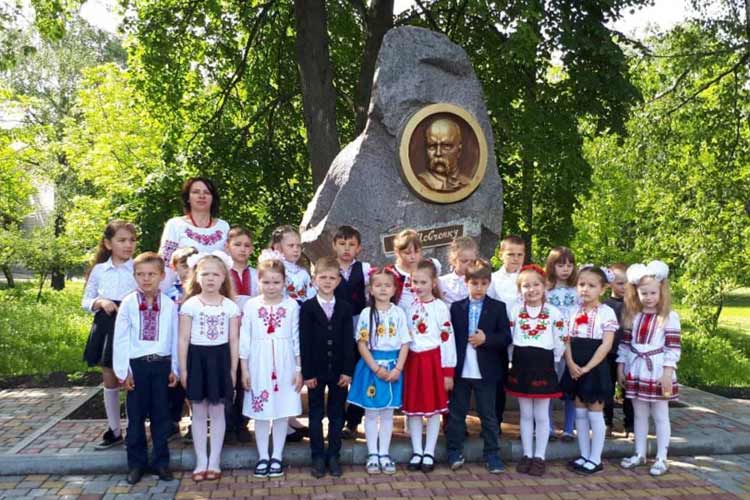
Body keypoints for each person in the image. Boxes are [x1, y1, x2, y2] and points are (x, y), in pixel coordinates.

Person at [112, 252, 179, 484]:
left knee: (161, 417)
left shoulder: (169, 305)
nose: (146, 279)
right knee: (136, 418)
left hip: (161, 365)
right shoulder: (129, 303)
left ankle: (161, 463)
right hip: (137, 367)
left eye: (151, 274)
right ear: (134, 276)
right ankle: (136, 464)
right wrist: (124, 371)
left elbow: (174, 337)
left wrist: (175, 368)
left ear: (162, 276)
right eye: (140, 274)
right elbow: (120, 339)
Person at [240, 251, 303, 479]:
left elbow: (296, 338)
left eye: (276, 282)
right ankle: (262, 456)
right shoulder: (251, 306)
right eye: (266, 282)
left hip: (285, 363)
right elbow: (245, 338)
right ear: (259, 282)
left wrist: (299, 369)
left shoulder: (292, 306)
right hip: (259, 361)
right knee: (261, 412)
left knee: (281, 411)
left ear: (284, 282)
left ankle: (276, 455)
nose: (271, 286)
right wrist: (244, 369)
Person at [178, 251, 239, 482]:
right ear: (196, 277)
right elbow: (183, 339)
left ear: (224, 277)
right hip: (197, 360)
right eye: (205, 274)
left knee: (217, 410)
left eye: (215, 274)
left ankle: (214, 460)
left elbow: (234, 340)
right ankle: (201, 460)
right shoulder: (190, 305)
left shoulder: (230, 307)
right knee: (199, 411)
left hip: (220, 360)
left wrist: (232, 370)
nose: (210, 278)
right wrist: (183, 369)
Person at [446, 259, 511, 474]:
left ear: (489, 283)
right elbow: (449, 337)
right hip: (461, 370)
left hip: (487, 371)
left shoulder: (498, 307)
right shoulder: (457, 308)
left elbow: (506, 337)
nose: (479, 288)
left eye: (484, 283)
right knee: (457, 413)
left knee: (488, 415)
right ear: (466, 282)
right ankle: (454, 450)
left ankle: (492, 454)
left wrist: (487, 339)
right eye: (474, 283)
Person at [618, 261, 681, 476]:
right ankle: (639, 453)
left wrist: (667, 373)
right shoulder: (633, 316)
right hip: (637, 369)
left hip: (657, 371)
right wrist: (621, 368)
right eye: (644, 293)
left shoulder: (669, 317)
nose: (649, 297)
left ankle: (662, 457)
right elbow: (625, 345)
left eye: (653, 292)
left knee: (660, 415)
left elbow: (673, 348)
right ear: (636, 292)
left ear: (661, 291)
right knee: (639, 414)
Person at [347, 267, 410, 475]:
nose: (383, 289)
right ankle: (372, 453)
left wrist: (398, 368)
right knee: (371, 413)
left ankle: (384, 453)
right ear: (371, 289)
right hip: (372, 367)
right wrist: (375, 367)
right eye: (378, 285)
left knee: (388, 413)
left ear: (394, 289)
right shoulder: (367, 313)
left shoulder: (399, 313)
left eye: (387, 285)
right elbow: (362, 343)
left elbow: (405, 342)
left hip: (393, 367)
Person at [81, 220, 138, 450]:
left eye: (132, 240)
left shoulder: (138, 268)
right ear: (108, 243)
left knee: (131, 376)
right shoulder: (99, 270)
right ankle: (114, 430)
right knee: (109, 375)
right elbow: (85, 300)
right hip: (106, 322)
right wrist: (100, 302)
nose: (128, 245)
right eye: (121, 240)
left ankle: (134, 429)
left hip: (131, 323)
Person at [505, 265, 566, 477]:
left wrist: (554, 359)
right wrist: (511, 360)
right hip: (521, 364)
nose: (531, 289)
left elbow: (561, 338)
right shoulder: (515, 311)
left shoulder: (553, 313)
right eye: (526, 286)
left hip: (543, 365)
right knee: (525, 414)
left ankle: (540, 456)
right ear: (519, 289)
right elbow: (510, 338)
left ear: (544, 286)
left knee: (541, 414)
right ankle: (527, 454)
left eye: (536, 285)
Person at [300, 257, 355, 478]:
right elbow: (304, 343)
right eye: (323, 277)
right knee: (315, 414)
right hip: (316, 372)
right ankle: (317, 456)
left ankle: (333, 455)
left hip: (339, 372)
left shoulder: (345, 308)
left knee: (337, 414)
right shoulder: (308, 308)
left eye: (332, 277)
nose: (327, 281)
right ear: (314, 280)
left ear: (339, 280)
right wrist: (308, 373)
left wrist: (348, 371)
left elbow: (349, 341)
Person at [561, 266, 618, 475]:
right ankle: (584, 454)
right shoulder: (572, 311)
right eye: (581, 284)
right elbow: (566, 339)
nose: (585, 289)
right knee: (580, 411)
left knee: (595, 411)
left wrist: (586, 368)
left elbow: (606, 345)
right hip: (575, 365)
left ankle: (596, 458)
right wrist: (570, 363)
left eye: (592, 286)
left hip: (594, 367)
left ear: (602, 289)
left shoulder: (606, 312)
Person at [403, 259, 456, 473]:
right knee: (414, 410)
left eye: (423, 282)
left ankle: (429, 452)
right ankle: (417, 450)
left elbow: (447, 339)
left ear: (433, 283)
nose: (418, 286)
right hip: (412, 362)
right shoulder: (408, 306)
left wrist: (447, 372)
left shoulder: (440, 307)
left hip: (433, 362)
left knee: (433, 410)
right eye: (415, 281)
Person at [268, 225, 313, 440]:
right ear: (278, 247)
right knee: (282, 372)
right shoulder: (274, 271)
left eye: (298, 245)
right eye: (291, 245)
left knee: (296, 371)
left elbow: (309, 296)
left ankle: (290, 416)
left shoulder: (302, 272)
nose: (296, 249)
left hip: (300, 324)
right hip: (281, 327)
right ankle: (280, 422)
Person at [331, 225, 371, 440]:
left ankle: (353, 421)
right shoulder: (329, 269)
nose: (346, 248)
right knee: (338, 376)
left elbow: (370, 296)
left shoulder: (364, 269)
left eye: (351, 244)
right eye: (342, 244)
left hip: (358, 328)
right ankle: (336, 421)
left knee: (359, 375)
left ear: (359, 248)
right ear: (334, 246)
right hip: (336, 329)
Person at [158, 177, 230, 289]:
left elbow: (228, 264)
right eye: (196, 192)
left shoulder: (223, 226)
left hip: (216, 290)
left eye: (207, 192)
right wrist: (163, 292)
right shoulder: (175, 224)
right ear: (188, 198)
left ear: (213, 198)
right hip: (182, 290)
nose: (201, 196)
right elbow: (165, 263)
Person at [486, 235, 525, 435]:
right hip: (500, 337)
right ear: (501, 254)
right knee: (498, 381)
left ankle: (528, 423)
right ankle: (495, 421)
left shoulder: (528, 278)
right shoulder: (493, 279)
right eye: (511, 254)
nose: (515, 259)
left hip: (524, 336)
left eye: (519, 254)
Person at [224, 226, 259, 444]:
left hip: (250, 334)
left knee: (246, 379)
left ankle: (242, 422)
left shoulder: (256, 274)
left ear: (252, 249)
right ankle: (227, 425)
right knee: (228, 379)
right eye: (237, 244)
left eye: (247, 245)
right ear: (227, 247)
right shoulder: (222, 274)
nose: (242, 249)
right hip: (226, 335)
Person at [544, 247, 580, 442]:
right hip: (552, 342)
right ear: (552, 266)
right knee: (550, 384)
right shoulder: (546, 290)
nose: (566, 269)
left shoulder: (577, 289)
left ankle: (569, 427)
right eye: (560, 265)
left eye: (569, 265)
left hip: (573, 341)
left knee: (571, 384)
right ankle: (548, 426)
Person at [164, 246, 197, 442]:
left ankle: (196, 422)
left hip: (195, 343)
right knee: (174, 384)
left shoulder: (199, 291)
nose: (188, 270)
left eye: (191, 265)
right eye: (183, 265)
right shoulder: (169, 293)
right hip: (174, 344)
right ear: (174, 267)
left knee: (192, 384)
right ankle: (172, 421)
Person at [604, 262, 633, 438]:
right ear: (609, 284)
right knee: (607, 388)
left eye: (627, 283)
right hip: (608, 353)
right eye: (620, 283)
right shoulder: (605, 305)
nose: (624, 287)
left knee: (628, 390)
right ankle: (607, 422)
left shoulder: (634, 305)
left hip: (629, 353)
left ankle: (630, 424)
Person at [391, 229, 441, 312]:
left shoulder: (432, 265)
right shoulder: (392, 272)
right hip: (403, 315)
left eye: (417, 252)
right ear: (397, 252)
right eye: (407, 253)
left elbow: (438, 288)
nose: (413, 256)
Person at [418, 117, 470, 192]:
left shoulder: (467, 182)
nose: (438, 153)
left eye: (446, 146)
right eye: (432, 146)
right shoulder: (420, 181)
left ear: (459, 150)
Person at [438, 236, 479, 307]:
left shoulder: (480, 282)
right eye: (464, 261)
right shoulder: (443, 282)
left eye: (472, 261)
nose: (469, 264)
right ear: (454, 261)